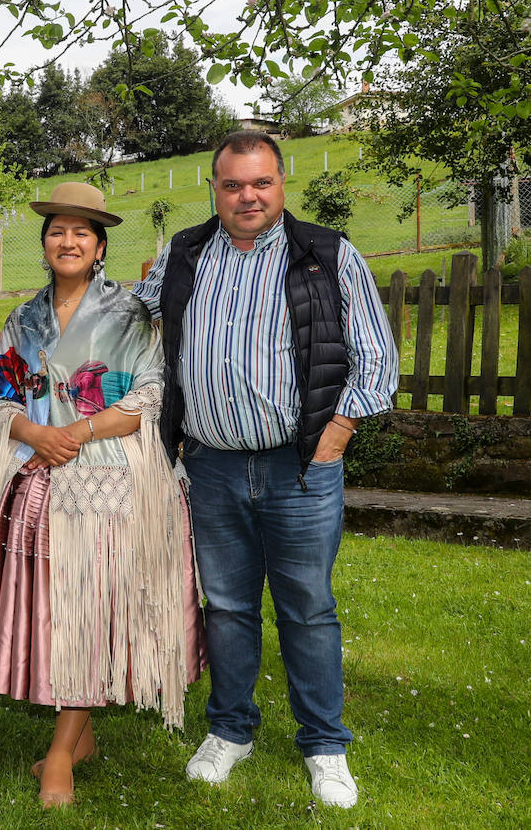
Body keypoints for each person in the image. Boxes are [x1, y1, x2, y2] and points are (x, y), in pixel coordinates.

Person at [133, 131, 397, 809]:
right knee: (225, 607)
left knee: (307, 608)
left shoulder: (328, 254)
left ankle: (324, 745)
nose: (247, 196)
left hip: (299, 468)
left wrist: (334, 438)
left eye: (261, 183)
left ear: (282, 184)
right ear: (214, 190)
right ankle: (231, 730)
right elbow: (135, 313)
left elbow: (375, 362)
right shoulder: (185, 253)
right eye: (232, 185)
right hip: (212, 466)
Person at [0, 182, 204, 808]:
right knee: (58, 612)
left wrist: (78, 430)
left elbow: (148, 395)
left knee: (95, 608)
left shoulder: (128, 315)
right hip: (35, 474)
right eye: (57, 231)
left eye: (81, 233)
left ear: (99, 248)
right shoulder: (24, 318)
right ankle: (79, 733)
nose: (68, 241)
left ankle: (60, 752)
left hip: (109, 478)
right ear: (44, 244)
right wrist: (33, 430)